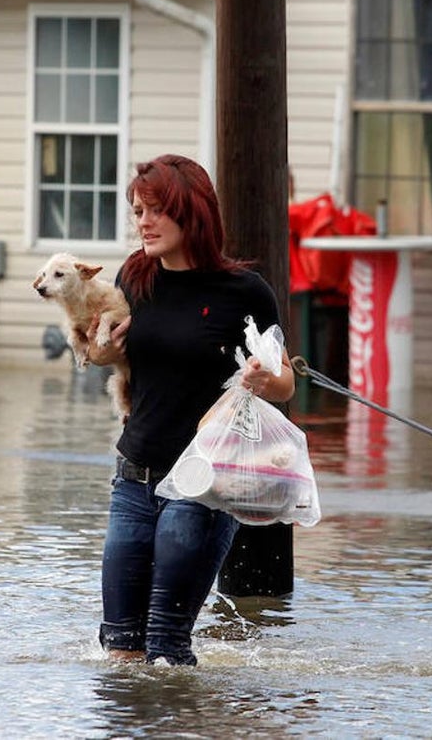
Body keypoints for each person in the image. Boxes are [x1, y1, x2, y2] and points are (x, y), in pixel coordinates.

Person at [86, 153, 295, 666]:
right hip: (132, 478)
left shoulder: (244, 291)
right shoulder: (134, 279)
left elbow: (286, 381)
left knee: (166, 648)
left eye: (155, 209)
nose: (143, 222)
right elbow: (101, 353)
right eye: (137, 211)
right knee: (119, 649)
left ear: (192, 212)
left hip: (203, 481)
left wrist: (266, 379)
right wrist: (103, 353)